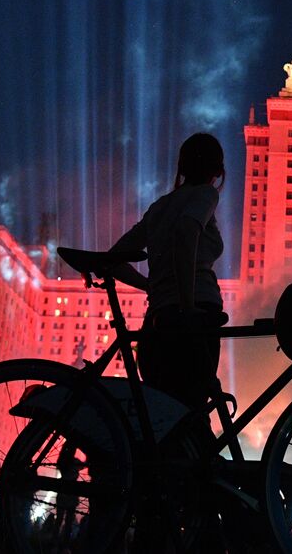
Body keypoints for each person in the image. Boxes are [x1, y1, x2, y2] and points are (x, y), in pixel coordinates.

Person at [110, 132, 228, 410]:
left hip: (157, 320)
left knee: (166, 416)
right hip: (196, 315)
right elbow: (186, 233)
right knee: (193, 411)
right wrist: (187, 307)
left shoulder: (160, 206)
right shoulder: (205, 193)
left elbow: (114, 259)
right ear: (217, 169)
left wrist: (152, 286)